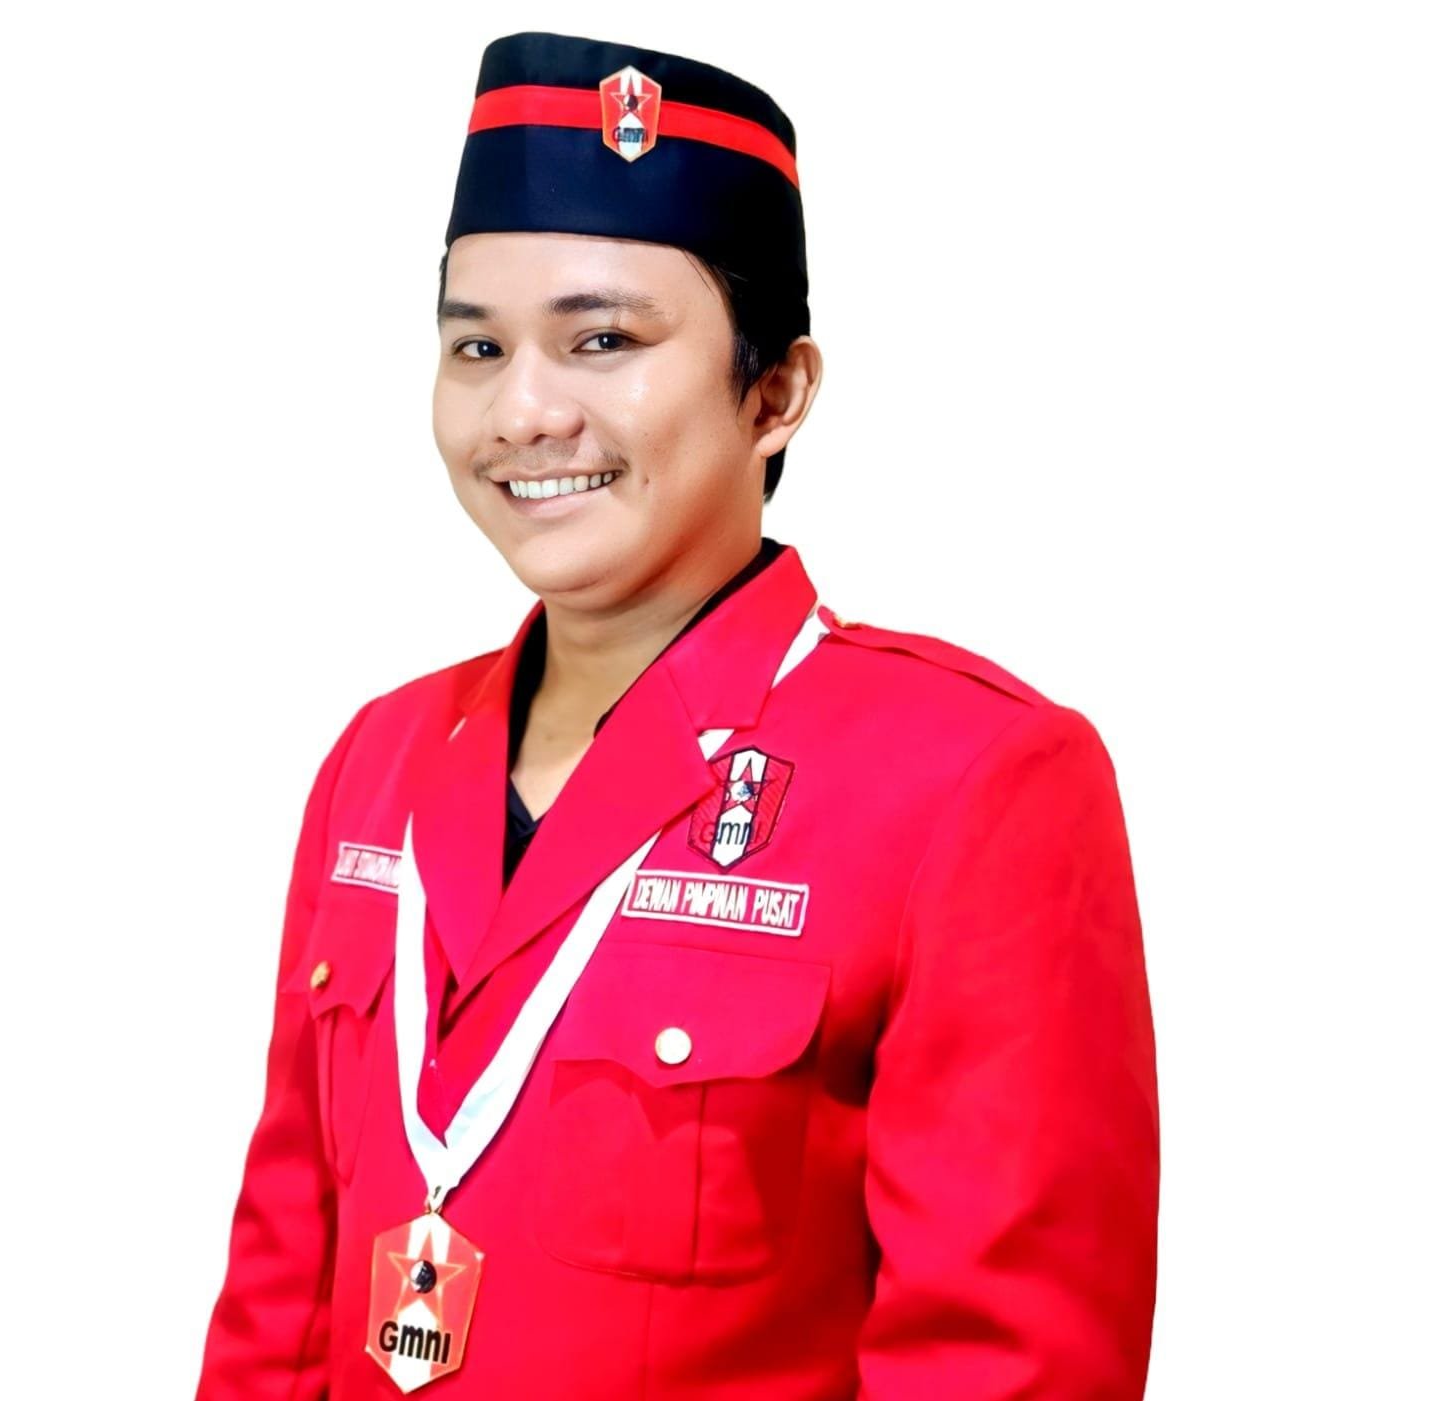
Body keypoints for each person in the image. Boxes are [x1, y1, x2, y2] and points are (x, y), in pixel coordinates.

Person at [195, 29, 1159, 1400]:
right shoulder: (380, 762)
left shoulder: (972, 779)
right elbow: (279, 1300)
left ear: (776, 392)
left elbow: (1006, 1367)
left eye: (603, 340)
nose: (523, 409)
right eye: (477, 346)